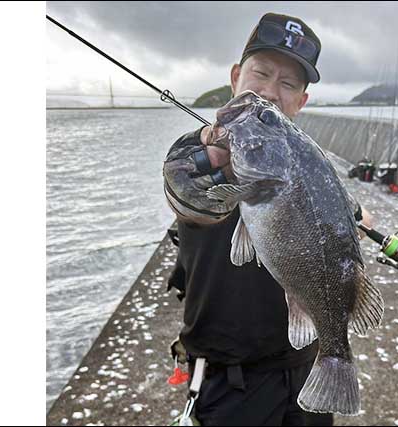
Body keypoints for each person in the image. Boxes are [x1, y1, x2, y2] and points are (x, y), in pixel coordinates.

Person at [162, 12, 372, 426]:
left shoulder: (310, 163)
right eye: (261, 72)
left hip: (304, 361)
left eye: (288, 83)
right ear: (236, 75)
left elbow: (331, 221)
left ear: (302, 100)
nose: (270, 92)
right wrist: (214, 165)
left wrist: (354, 217)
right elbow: (190, 193)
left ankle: (335, 355)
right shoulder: (197, 152)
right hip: (231, 385)